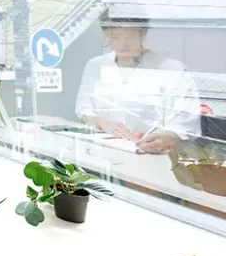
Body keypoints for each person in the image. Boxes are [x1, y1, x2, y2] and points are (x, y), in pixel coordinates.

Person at [74, 10, 199, 154]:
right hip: (106, 151)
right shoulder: (96, 65)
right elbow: (83, 107)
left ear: (143, 34)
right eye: (115, 36)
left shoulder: (172, 69)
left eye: (130, 36)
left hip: (155, 156)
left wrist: (166, 137)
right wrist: (100, 122)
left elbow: (186, 122)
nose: (123, 44)